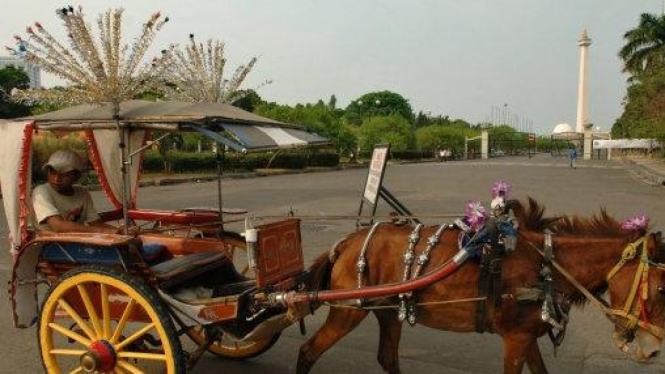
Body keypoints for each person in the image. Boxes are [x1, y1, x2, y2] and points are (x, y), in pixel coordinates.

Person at [32, 150, 126, 234]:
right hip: (48, 247)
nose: (57, 179)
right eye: (52, 172)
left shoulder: (82, 192)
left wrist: (122, 231)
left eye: (64, 174)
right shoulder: (41, 192)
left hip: (76, 245)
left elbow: (96, 223)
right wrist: (102, 231)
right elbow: (58, 226)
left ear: (76, 176)